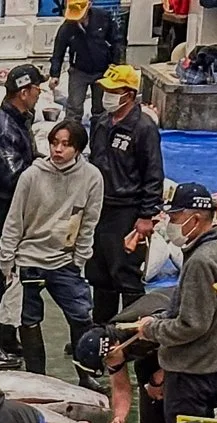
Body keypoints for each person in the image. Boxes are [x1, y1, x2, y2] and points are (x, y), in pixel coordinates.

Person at [126, 181, 217, 423]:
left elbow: (193, 324)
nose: (170, 223)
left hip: (191, 374)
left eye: (175, 217)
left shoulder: (201, 260)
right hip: (208, 370)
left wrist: (152, 329)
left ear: (195, 219)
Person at [0, 121, 103, 375]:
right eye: (54, 143)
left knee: (81, 315)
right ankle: (37, 376)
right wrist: (7, 259)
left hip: (65, 261)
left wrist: (79, 259)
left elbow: (89, 221)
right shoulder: (31, 176)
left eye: (66, 145)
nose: (58, 150)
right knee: (28, 319)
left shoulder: (92, 178)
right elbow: (15, 218)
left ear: (78, 149)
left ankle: (86, 374)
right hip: (29, 259)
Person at [86, 66, 163, 324]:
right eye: (105, 90)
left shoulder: (143, 128)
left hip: (127, 210)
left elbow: (153, 174)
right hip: (100, 208)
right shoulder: (101, 122)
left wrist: (146, 216)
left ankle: (130, 328)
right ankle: (101, 327)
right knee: (99, 271)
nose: (106, 95)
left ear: (129, 95)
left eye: (113, 91)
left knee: (126, 271)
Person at [0, 65, 46, 355]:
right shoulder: (4, 129)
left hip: (17, 212)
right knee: (0, 273)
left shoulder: (21, 119)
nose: (39, 93)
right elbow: (13, 176)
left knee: (14, 276)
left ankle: (6, 333)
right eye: (36, 89)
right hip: (3, 212)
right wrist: (46, 172)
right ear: (23, 92)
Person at [47, 0, 117, 121]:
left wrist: (116, 63)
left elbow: (117, 41)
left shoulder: (103, 18)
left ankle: (98, 136)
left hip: (102, 71)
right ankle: (73, 135)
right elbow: (58, 51)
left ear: (89, 5)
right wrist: (55, 74)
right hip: (78, 71)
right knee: (74, 108)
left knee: (100, 109)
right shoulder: (67, 27)